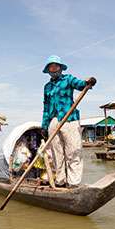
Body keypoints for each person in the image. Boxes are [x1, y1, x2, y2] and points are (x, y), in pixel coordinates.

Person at [41, 55, 96, 187]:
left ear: (60, 68)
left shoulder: (68, 79)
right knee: (57, 154)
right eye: (51, 67)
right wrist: (44, 126)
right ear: (48, 70)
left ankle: (73, 183)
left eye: (56, 66)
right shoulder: (47, 87)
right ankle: (60, 181)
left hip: (69, 119)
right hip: (53, 121)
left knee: (73, 151)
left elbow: (81, 84)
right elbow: (46, 107)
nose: (53, 69)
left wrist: (88, 82)